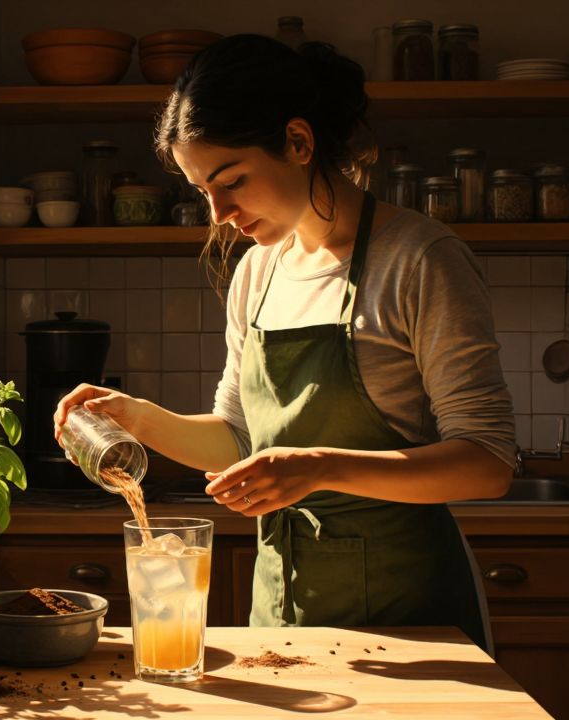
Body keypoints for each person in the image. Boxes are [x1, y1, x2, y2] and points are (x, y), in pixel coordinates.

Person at [53, 34, 515, 652]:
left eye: (232, 180)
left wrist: (319, 467)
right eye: (202, 191)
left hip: (412, 614)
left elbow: (487, 462)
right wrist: (137, 418)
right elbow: (239, 438)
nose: (218, 212)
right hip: (285, 608)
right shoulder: (258, 271)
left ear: (298, 143)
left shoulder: (419, 261)